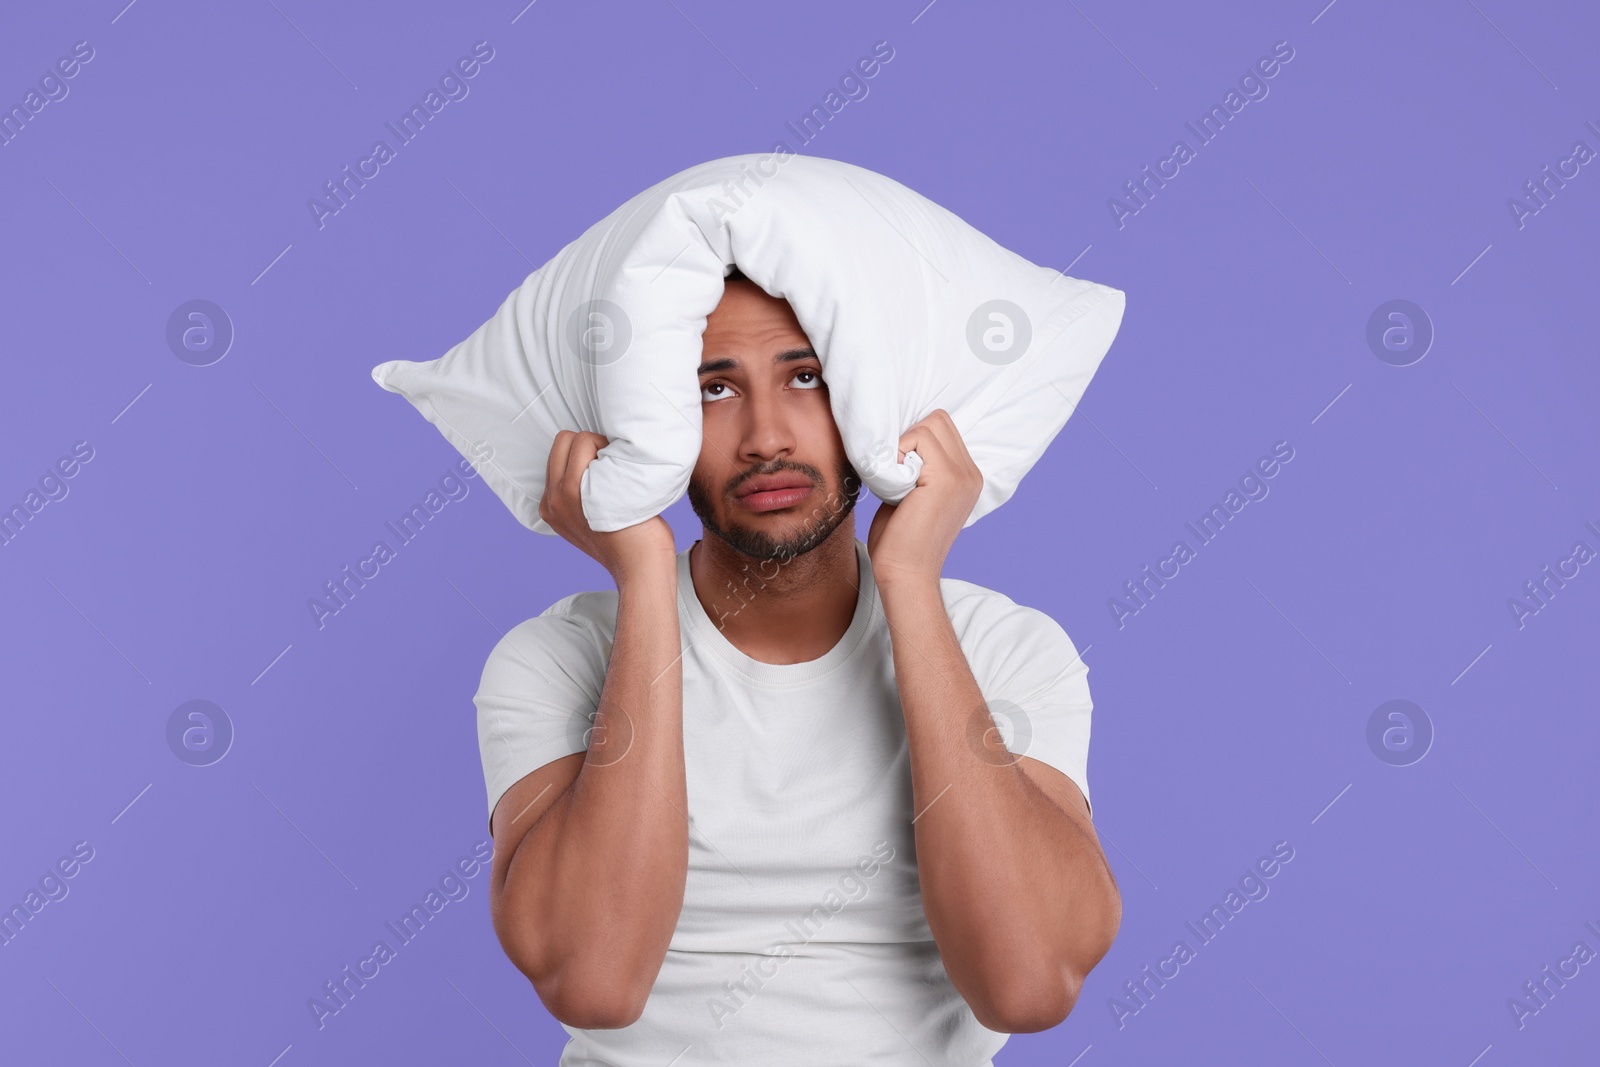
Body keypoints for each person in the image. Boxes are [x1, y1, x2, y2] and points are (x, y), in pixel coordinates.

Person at [474, 267, 1121, 1065]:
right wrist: (643, 579)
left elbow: (1028, 983)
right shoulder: (554, 658)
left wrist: (911, 584)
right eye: (714, 389)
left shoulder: (1007, 648)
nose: (766, 437)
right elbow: (595, 982)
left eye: (806, 377)